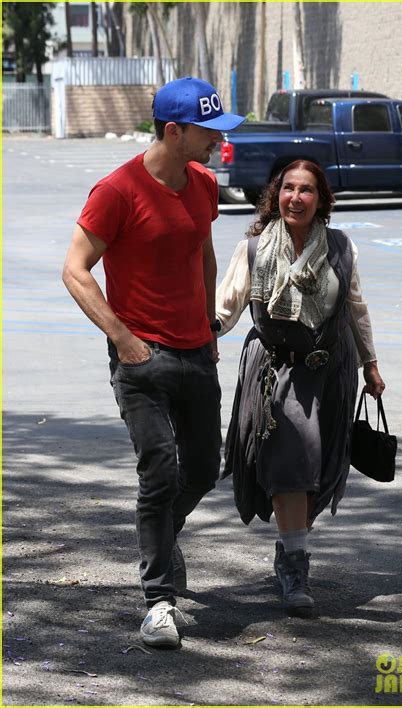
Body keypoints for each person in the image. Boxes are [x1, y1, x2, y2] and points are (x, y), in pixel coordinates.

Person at [62, 77, 245, 647]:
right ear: (174, 130)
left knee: (201, 467)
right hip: (141, 358)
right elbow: (74, 269)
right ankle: (158, 603)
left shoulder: (204, 185)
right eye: (208, 130)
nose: (218, 140)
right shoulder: (117, 190)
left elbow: (203, 254)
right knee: (159, 469)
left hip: (196, 349)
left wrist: (212, 324)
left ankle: (164, 534)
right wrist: (121, 337)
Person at [215, 159, 385, 617]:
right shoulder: (254, 248)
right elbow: (226, 307)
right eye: (288, 188)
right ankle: (295, 567)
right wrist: (201, 339)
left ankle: (291, 543)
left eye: (306, 190)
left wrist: (370, 363)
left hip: (332, 370)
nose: (296, 197)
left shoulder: (340, 248)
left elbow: (355, 309)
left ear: (321, 199)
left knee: (321, 467)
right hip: (276, 369)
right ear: (276, 194)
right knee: (293, 461)